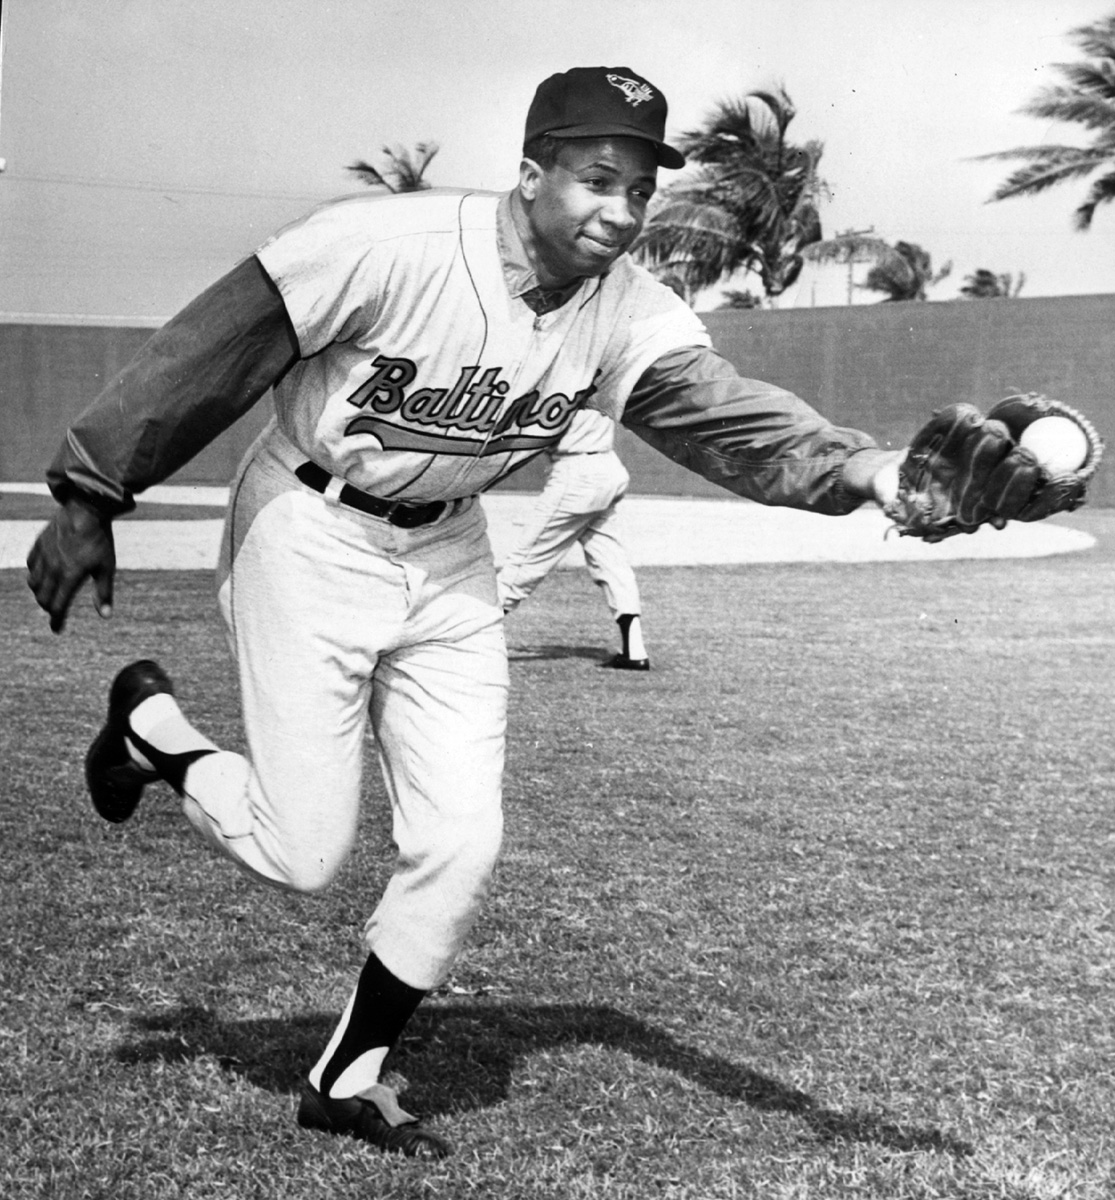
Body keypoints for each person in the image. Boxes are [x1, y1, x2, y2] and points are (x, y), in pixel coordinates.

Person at [26, 66, 906, 1159]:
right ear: (530, 172)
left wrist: (875, 475)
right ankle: (150, 728)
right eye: (595, 178)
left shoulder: (624, 306)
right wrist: (91, 493)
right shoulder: (386, 243)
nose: (617, 212)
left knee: (460, 836)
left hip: (447, 548)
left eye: (638, 190)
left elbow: (726, 422)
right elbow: (216, 347)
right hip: (310, 527)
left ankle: (344, 1076)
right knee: (303, 853)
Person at [497, 405, 650, 670]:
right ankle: (634, 650)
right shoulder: (600, 373)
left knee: (524, 563)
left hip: (576, 473)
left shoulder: (562, 376)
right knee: (612, 563)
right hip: (608, 466)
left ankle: (463, 639)